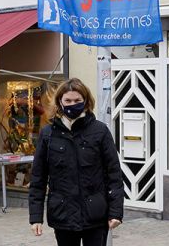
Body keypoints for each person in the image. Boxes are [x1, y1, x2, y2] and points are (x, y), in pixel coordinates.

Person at [29, 78, 124, 246]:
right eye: (68, 100)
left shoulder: (99, 131)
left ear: (85, 101)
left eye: (77, 100)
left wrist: (116, 212)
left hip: (95, 215)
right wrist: (35, 217)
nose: (73, 104)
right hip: (63, 215)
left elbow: (114, 174)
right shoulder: (48, 134)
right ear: (60, 102)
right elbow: (38, 178)